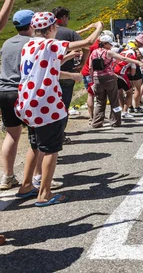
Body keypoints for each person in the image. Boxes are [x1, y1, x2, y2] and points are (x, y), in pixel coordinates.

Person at [15, 13, 103, 206]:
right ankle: (44, 194)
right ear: (52, 27)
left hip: (27, 104)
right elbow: (88, 42)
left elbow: (45, 68)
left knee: (35, 145)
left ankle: (26, 185)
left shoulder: (28, 46)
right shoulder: (50, 44)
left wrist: (68, 59)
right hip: (46, 105)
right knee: (51, 150)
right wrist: (98, 26)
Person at [0, 10, 34, 190]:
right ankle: (37, 177)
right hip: (24, 91)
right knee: (36, 135)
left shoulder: (6, 43)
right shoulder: (33, 43)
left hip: (4, 91)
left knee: (12, 134)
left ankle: (7, 176)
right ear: (32, 24)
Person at [90, 35, 143, 128]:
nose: (111, 46)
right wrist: (138, 62)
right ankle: (115, 121)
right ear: (105, 44)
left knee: (100, 101)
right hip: (109, 78)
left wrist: (92, 80)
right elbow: (123, 58)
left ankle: (97, 122)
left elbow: (90, 67)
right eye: (110, 44)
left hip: (97, 78)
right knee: (114, 101)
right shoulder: (108, 52)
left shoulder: (94, 52)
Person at [52, 7, 90, 142]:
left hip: (47, 76)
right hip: (68, 73)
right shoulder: (69, 33)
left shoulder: (45, 34)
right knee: (63, 105)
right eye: (67, 18)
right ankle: (60, 134)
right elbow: (86, 47)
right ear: (63, 18)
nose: (68, 20)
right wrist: (82, 64)